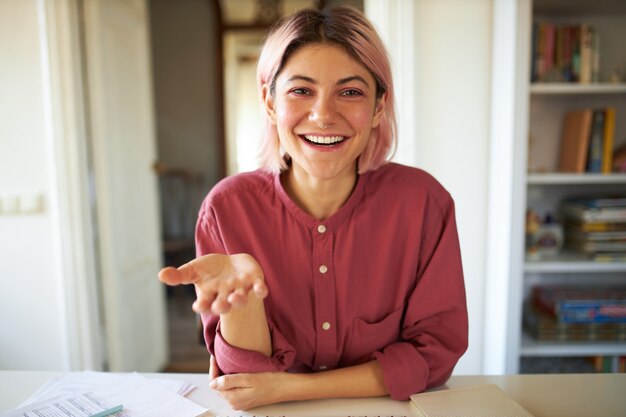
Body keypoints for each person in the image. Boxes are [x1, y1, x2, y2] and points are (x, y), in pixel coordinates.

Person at [159, 5, 468, 411]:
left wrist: (290, 389)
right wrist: (245, 302)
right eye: (301, 90)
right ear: (269, 103)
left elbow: (434, 356)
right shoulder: (226, 208)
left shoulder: (425, 203)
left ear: (378, 107)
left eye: (351, 92)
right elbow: (244, 384)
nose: (323, 115)